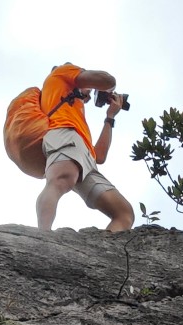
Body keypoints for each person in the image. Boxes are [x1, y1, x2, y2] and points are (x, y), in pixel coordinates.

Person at [35, 64, 135, 233]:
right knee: (60, 179)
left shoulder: (76, 112)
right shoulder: (61, 72)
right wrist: (106, 89)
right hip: (64, 134)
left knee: (124, 213)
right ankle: (42, 238)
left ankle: (101, 253)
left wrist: (110, 117)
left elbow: (100, 156)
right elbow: (108, 80)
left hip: (83, 155)